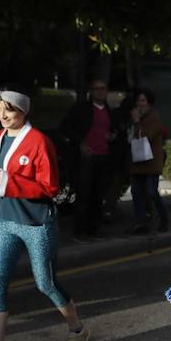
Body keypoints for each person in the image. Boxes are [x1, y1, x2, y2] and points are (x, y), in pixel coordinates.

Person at [0, 89, 89, 341]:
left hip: (37, 224)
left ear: (24, 111)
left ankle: (78, 330)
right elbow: (0, 178)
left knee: (45, 283)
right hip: (6, 221)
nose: (3, 116)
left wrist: (9, 183)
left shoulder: (39, 142)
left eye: (9, 110)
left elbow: (51, 188)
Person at [58, 79, 118, 241]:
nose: (100, 91)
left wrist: (112, 136)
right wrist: (80, 143)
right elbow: (65, 128)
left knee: (98, 195)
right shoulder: (81, 109)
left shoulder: (108, 110)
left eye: (103, 88)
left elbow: (114, 131)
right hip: (86, 158)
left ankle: (94, 229)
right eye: (96, 88)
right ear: (91, 91)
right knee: (84, 194)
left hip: (103, 156)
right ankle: (79, 230)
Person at [127, 89, 169, 234]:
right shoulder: (133, 118)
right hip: (137, 162)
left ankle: (163, 218)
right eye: (138, 101)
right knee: (137, 192)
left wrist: (138, 122)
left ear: (149, 103)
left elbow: (145, 137)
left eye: (143, 101)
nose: (140, 104)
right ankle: (140, 222)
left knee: (152, 192)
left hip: (150, 163)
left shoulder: (153, 118)